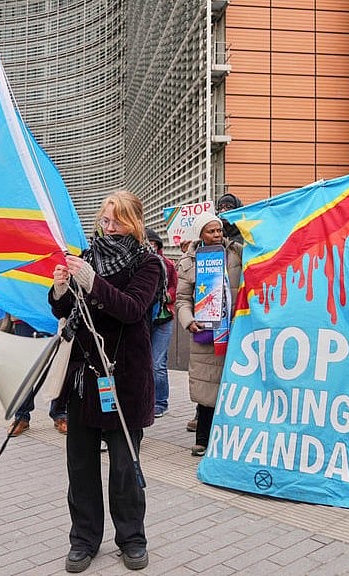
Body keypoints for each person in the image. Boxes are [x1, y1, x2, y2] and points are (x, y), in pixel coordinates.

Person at [50, 190, 162, 573]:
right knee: (80, 465)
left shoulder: (149, 263)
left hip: (125, 379)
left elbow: (131, 310)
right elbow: (65, 310)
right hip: (85, 378)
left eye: (116, 220)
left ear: (134, 222)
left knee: (124, 466)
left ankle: (132, 539)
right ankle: (83, 539)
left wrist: (92, 282)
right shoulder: (86, 258)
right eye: (104, 219)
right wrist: (62, 287)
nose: (108, 226)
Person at [175, 212, 243, 457]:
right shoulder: (189, 261)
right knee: (206, 386)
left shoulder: (236, 253)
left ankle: (228, 438)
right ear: (200, 234)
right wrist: (189, 320)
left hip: (235, 329)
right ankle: (202, 438)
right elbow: (181, 299)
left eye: (219, 230)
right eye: (210, 231)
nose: (216, 235)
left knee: (232, 385)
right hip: (205, 332)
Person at [7, 317, 68, 436]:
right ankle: (21, 417)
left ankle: (60, 413)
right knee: (24, 370)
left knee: (58, 366)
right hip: (23, 315)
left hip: (53, 315)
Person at [146, 227, 178, 418]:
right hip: (145, 317)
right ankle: (147, 400)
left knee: (158, 362)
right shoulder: (140, 262)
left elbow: (176, 285)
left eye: (152, 243)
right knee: (145, 362)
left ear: (157, 244)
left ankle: (160, 402)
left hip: (164, 318)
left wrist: (167, 296)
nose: (150, 246)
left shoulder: (167, 264)